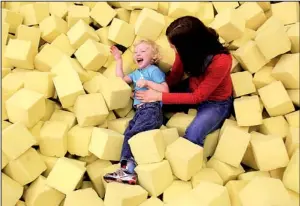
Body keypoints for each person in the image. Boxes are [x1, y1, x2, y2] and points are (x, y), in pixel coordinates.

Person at [135, 16, 233, 147]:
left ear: (189, 47)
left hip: (216, 102)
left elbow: (197, 97)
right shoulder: (186, 50)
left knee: (192, 136)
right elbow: (176, 74)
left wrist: (159, 95)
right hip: (191, 88)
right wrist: (158, 87)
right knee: (147, 103)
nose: (173, 50)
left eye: (174, 47)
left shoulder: (221, 60)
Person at [103, 39, 169, 185]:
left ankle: (127, 171)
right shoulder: (136, 73)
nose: (138, 54)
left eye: (143, 51)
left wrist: (147, 83)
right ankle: (127, 170)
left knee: (132, 134)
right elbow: (120, 80)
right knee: (128, 134)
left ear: (154, 56)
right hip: (140, 112)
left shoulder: (153, 70)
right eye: (136, 52)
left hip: (151, 109)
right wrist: (118, 59)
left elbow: (165, 90)